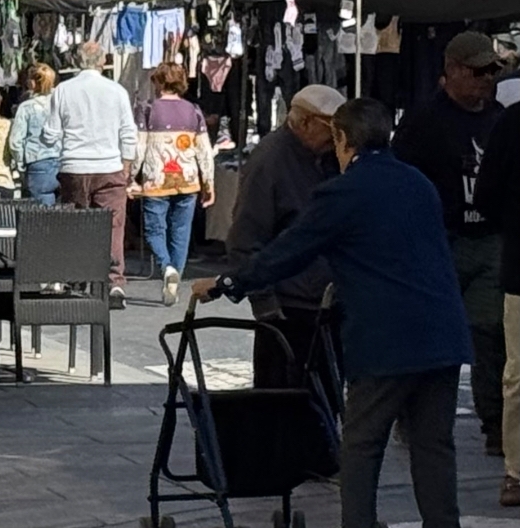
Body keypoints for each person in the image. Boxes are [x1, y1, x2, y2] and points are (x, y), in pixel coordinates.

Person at [194, 98, 471, 528]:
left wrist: (228, 283)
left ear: (342, 139)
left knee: (362, 443)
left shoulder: (344, 192)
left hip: (385, 339)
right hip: (443, 332)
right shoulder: (418, 183)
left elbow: (289, 250)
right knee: (434, 443)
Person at [392, 30, 506, 456]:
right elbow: (402, 182)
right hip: (440, 240)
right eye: (478, 72)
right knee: (430, 334)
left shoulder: (499, 117)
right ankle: (413, 414)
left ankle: (495, 423)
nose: (486, 81)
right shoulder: (423, 121)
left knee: (490, 332)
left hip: (489, 239)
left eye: (492, 72)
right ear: (453, 70)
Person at [226, 83, 345, 388]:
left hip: (328, 301)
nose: (338, 137)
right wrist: (265, 305)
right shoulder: (270, 161)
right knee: (282, 399)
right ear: (305, 122)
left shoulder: (329, 158)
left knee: (325, 400)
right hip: (290, 307)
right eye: (331, 128)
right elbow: (245, 235)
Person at [41, 41, 138, 308]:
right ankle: (114, 282)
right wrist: (126, 167)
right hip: (109, 166)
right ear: (102, 61)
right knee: (113, 225)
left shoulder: (62, 90)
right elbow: (128, 133)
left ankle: (74, 276)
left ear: (77, 60)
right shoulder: (116, 91)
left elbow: (50, 134)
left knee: (74, 224)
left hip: (74, 167)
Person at [133, 63, 216, 306]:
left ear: (159, 82)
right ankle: (175, 280)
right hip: (188, 180)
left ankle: (166, 266)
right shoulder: (194, 110)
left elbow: (139, 147)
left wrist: (131, 178)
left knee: (154, 229)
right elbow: (205, 151)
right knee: (181, 232)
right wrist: (208, 182)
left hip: (156, 179)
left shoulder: (147, 109)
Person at [474, 96, 520, 506]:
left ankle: (517, 472)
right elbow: (486, 193)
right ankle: (517, 471)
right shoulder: (513, 123)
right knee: (518, 375)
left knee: (518, 375)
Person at [9, 62, 59, 206]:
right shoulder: (61, 103)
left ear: (31, 83)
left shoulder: (26, 107)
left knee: (40, 212)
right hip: (62, 159)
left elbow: (16, 140)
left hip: (38, 160)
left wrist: (20, 163)